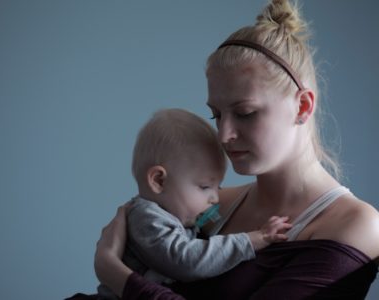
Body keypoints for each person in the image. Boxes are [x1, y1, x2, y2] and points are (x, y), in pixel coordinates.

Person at [73, 0, 379, 299]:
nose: (223, 135)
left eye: (245, 113)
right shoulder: (213, 205)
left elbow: (128, 270)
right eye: (216, 115)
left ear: (303, 105)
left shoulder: (356, 225)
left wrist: (114, 272)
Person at [97, 108, 292, 299]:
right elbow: (187, 260)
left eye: (218, 187)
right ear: (159, 181)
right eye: (205, 186)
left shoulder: (173, 217)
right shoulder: (147, 218)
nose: (215, 198)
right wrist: (253, 239)